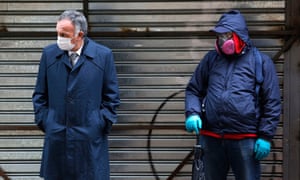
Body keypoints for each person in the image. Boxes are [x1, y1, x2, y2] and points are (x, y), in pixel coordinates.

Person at [185, 10, 281, 180]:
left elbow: (272, 102)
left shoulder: (261, 62)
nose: (222, 41)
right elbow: (194, 89)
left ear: (239, 36)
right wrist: (192, 113)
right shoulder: (211, 59)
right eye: (220, 36)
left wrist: (265, 136)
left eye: (227, 35)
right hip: (212, 138)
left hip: (245, 140)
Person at [32, 10, 120, 180]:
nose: (59, 38)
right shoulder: (49, 55)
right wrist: (47, 121)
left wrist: (99, 123)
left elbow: (112, 97)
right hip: (57, 138)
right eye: (57, 33)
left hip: (89, 141)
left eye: (63, 34)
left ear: (79, 34)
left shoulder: (103, 56)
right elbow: (39, 94)